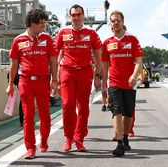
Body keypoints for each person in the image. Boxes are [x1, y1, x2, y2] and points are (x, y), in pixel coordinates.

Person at [6, 9, 58, 159]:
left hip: (43, 81)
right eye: (41, 24)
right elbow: (14, 64)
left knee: (45, 114)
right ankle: (30, 147)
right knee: (28, 115)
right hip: (25, 81)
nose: (43, 26)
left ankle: (44, 140)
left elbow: (53, 61)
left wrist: (54, 80)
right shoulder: (18, 40)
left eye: (44, 23)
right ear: (32, 24)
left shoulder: (47, 39)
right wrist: (10, 84)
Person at [55, 4, 102, 152]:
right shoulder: (62, 32)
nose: (76, 17)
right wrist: (55, 77)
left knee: (83, 108)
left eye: (78, 14)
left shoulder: (91, 33)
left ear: (83, 16)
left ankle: (79, 139)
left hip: (85, 72)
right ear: (70, 17)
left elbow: (98, 55)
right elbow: (56, 55)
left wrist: (98, 75)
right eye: (73, 15)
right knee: (67, 105)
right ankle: (69, 138)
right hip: (67, 71)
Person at [101, 10, 143, 157]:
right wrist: (103, 85)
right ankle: (119, 144)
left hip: (130, 83)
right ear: (110, 23)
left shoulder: (132, 40)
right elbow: (104, 65)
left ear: (123, 21)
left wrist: (134, 75)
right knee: (117, 111)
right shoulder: (107, 43)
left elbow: (138, 61)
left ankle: (125, 138)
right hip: (113, 83)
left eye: (118, 20)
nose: (115, 23)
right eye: (113, 20)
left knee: (128, 113)